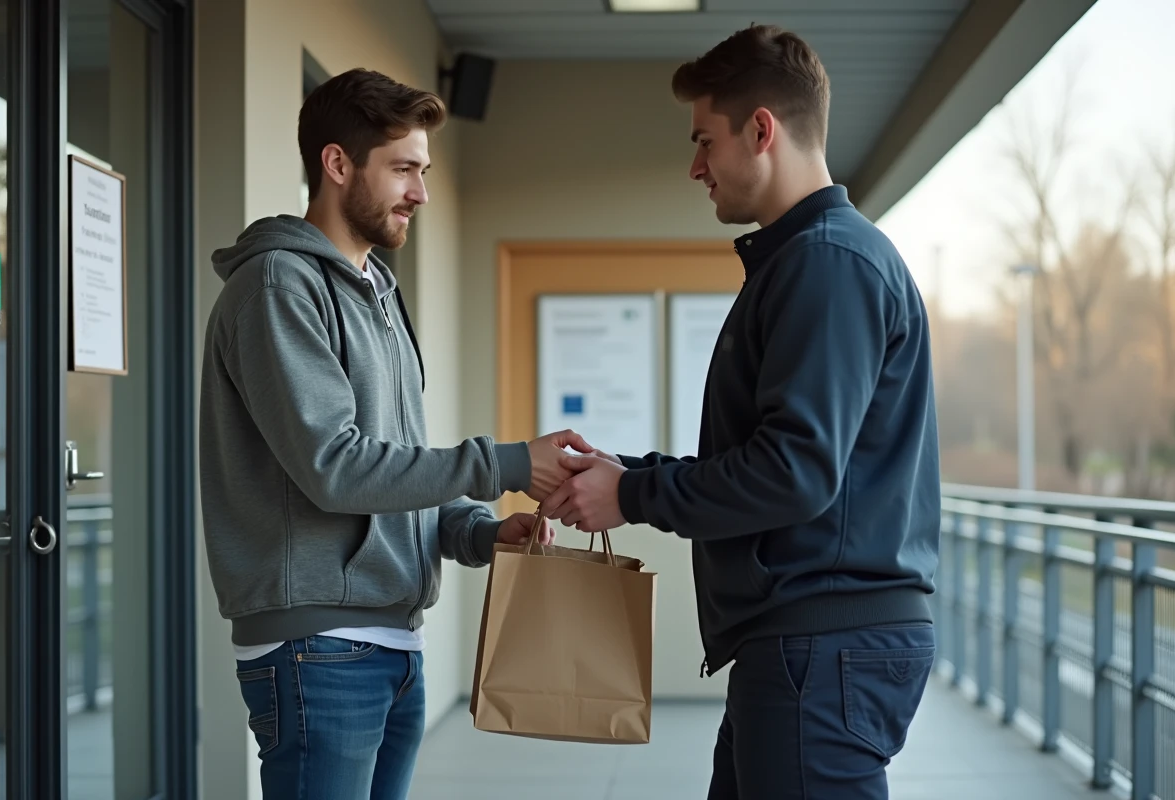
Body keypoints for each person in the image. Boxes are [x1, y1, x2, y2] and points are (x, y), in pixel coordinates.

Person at [540, 25, 941, 800]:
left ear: (761, 130)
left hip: (821, 646)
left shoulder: (826, 262)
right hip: (809, 642)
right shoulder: (811, 259)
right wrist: (628, 476)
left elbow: (793, 473)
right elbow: (774, 455)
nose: (695, 166)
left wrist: (631, 495)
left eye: (704, 140)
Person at [199, 68, 590, 800]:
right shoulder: (280, 286)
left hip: (390, 642)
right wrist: (504, 463)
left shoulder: (378, 290)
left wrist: (478, 532)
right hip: (317, 647)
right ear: (338, 165)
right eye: (404, 169)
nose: (421, 192)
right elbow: (335, 468)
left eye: (425, 170)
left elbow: (392, 465)